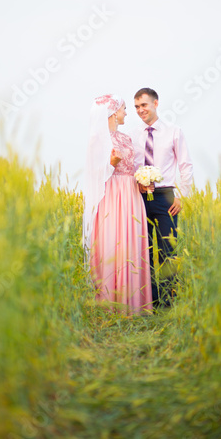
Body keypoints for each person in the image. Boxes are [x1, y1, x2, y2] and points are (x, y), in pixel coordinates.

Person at [83, 94, 152, 314]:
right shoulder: (97, 139)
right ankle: (111, 303)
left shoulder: (126, 138)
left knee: (131, 244)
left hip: (131, 194)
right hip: (112, 194)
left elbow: (132, 165)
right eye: (123, 108)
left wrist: (142, 181)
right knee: (114, 244)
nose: (126, 112)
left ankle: (134, 304)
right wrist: (110, 164)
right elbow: (93, 173)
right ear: (113, 112)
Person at [130, 88, 193, 307]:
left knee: (168, 249)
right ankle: (150, 302)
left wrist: (182, 196)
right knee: (144, 251)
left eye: (144, 105)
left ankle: (168, 302)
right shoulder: (133, 135)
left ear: (156, 103)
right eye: (137, 107)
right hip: (139, 198)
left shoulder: (174, 131)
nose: (140, 110)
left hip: (166, 197)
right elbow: (131, 167)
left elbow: (185, 165)